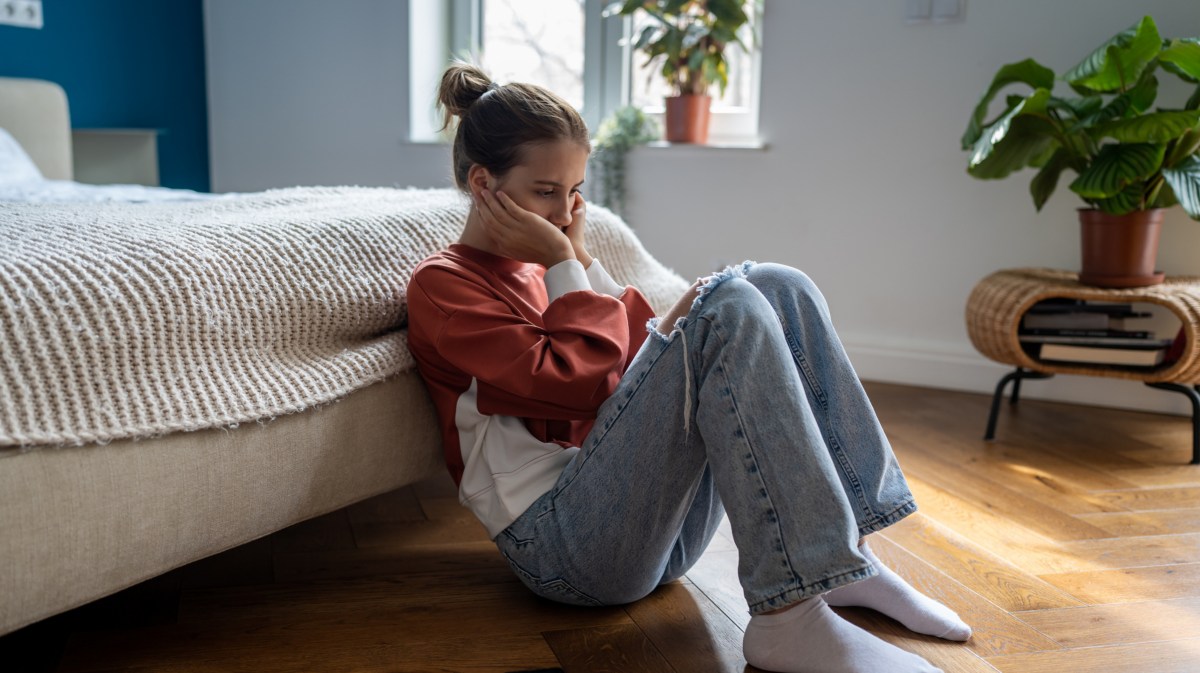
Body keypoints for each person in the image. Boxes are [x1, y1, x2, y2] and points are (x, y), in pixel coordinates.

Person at [406, 62, 971, 673]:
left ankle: (843, 560)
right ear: (483, 184)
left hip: (652, 534)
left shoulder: (546, 265)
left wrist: (610, 279)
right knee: (726, 306)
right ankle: (788, 621)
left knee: (772, 284)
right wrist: (567, 261)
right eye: (545, 191)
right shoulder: (445, 286)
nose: (564, 212)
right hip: (562, 550)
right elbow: (578, 387)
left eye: (574, 191)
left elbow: (626, 378)